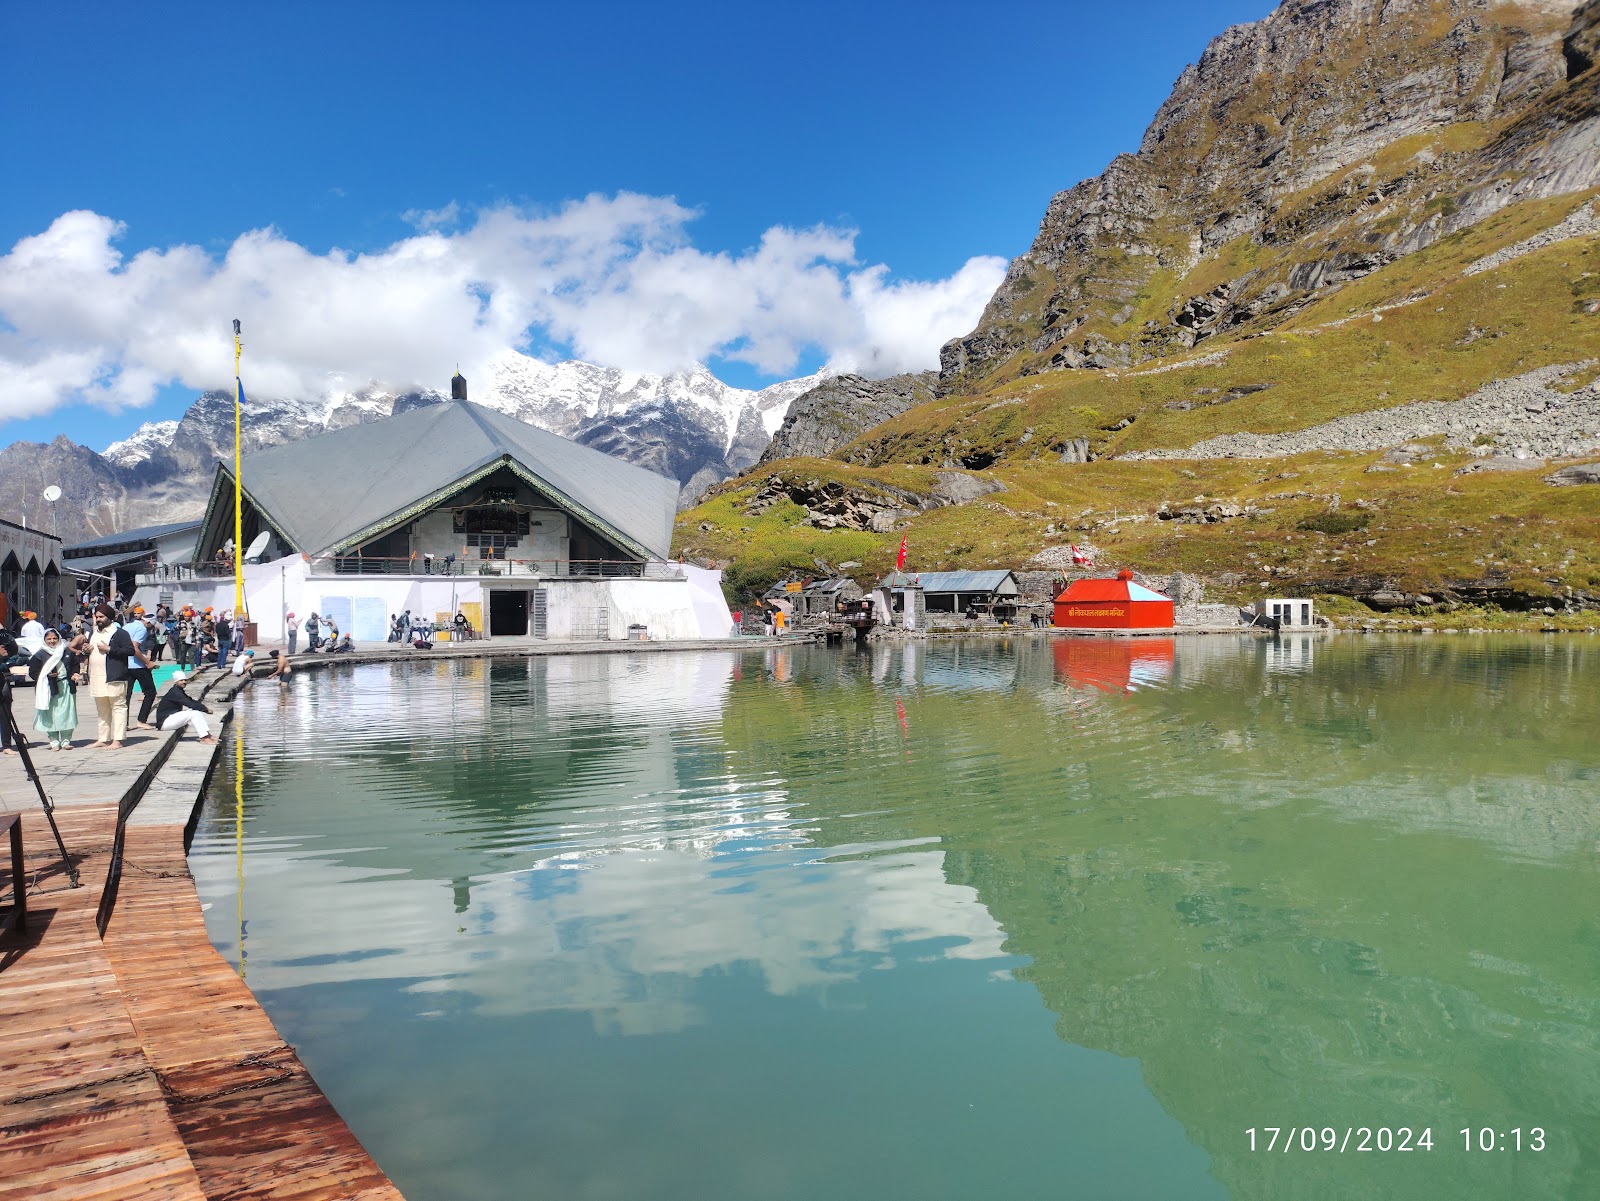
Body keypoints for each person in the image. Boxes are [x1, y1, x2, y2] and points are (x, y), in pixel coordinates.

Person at [87, 603, 136, 749]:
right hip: (97, 677)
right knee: (102, 709)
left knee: (118, 707)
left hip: (114, 676)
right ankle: (103, 738)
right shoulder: (94, 632)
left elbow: (130, 651)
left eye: (101, 617)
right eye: (97, 617)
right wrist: (87, 650)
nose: (98, 619)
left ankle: (118, 739)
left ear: (109, 617)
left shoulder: (119, 633)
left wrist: (109, 649)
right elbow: (92, 652)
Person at [28, 628, 81, 750]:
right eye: (49, 639)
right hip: (48, 688)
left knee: (67, 713)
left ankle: (66, 741)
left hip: (65, 686)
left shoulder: (66, 651)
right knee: (50, 715)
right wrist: (46, 676)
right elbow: (33, 672)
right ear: (44, 640)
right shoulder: (39, 655)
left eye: (54, 638)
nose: (52, 641)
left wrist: (74, 674)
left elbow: (74, 665)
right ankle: (54, 742)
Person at [155, 671, 216, 744]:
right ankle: (204, 738)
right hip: (164, 723)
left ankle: (207, 735)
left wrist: (204, 708)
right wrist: (206, 710)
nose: (184, 682)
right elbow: (190, 704)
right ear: (175, 682)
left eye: (185, 680)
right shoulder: (175, 692)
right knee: (195, 713)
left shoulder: (178, 690)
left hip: (170, 718)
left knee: (195, 712)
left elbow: (191, 701)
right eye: (181, 680)